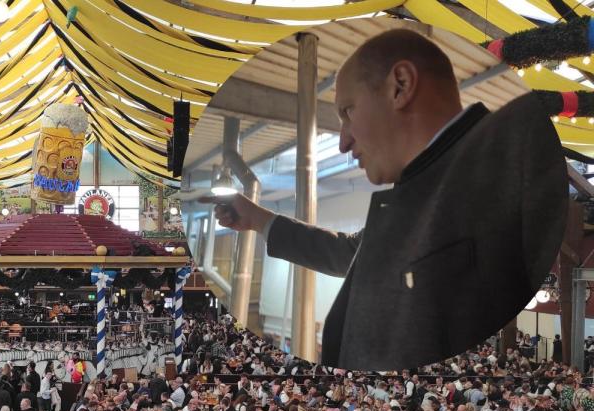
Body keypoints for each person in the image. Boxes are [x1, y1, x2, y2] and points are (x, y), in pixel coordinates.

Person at [202, 27, 566, 371]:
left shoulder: (515, 140)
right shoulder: (412, 192)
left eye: (347, 112)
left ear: (400, 86)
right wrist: (258, 219)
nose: (343, 141)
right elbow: (349, 253)